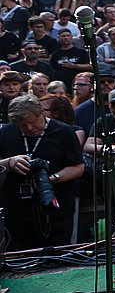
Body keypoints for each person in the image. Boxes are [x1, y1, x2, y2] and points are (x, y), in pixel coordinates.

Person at [0, 95, 85, 249]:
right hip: (17, 210)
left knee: (57, 254)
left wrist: (53, 178)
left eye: (33, 122)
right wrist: (10, 162)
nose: (29, 128)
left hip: (56, 208)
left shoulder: (64, 132)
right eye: (23, 125)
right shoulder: (7, 131)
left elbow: (78, 167)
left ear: (41, 113)